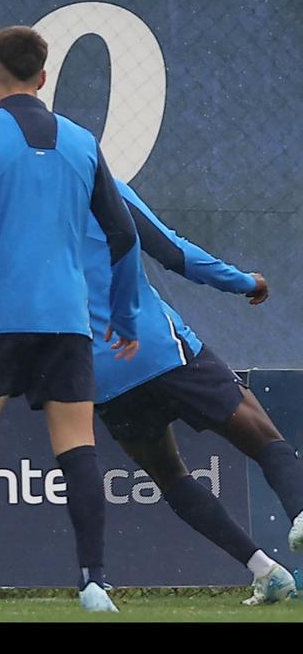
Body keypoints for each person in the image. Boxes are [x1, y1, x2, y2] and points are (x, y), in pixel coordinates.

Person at [0, 26, 143, 613]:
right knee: (77, 447)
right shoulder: (84, 142)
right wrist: (125, 312)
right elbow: (122, 233)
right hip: (67, 321)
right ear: (43, 77)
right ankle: (94, 584)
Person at [86, 178, 301, 605]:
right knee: (265, 440)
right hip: (159, 349)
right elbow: (174, 253)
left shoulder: (18, 213)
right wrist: (244, 282)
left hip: (100, 370)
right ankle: (301, 512)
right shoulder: (98, 182)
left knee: (170, 476)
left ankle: (264, 570)